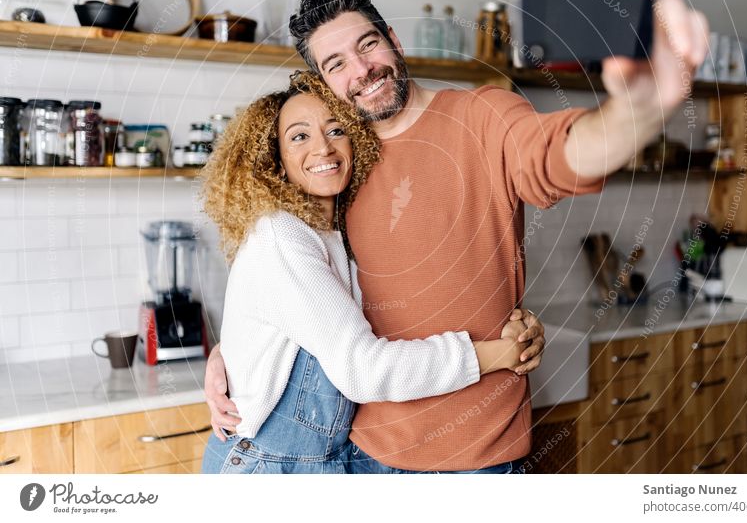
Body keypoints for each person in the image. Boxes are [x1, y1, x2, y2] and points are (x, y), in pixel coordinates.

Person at [206, 0, 709, 473]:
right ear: (323, 84)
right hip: (361, 457)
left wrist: (639, 111)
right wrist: (233, 353)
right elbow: (297, 286)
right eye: (335, 64)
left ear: (394, 41)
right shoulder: (339, 168)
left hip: (476, 459)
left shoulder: (483, 116)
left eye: (367, 45)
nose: (360, 71)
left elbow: (555, 155)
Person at [199, 71, 542, 474]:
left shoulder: (334, 232)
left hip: (326, 459)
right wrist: (493, 354)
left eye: (336, 129)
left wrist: (228, 354)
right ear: (274, 159)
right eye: (299, 136)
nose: (322, 147)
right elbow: (362, 370)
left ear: (356, 139)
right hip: (268, 465)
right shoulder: (282, 235)